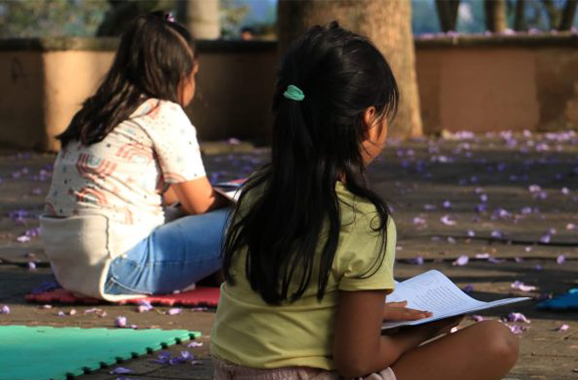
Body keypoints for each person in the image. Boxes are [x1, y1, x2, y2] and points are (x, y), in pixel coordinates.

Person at [210, 22, 519, 380]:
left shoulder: (257, 191)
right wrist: (422, 332)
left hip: (231, 374)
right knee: (497, 341)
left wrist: (372, 313)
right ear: (369, 119)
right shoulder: (364, 219)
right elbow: (355, 362)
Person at [40, 12, 229, 301]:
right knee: (245, 219)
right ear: (178, 75)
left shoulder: (93, 113)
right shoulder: (163, 113)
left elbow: (160, 195)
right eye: (193, 75)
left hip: (71, 269)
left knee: (180, 215)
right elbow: (199, 204)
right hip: (121, 268)